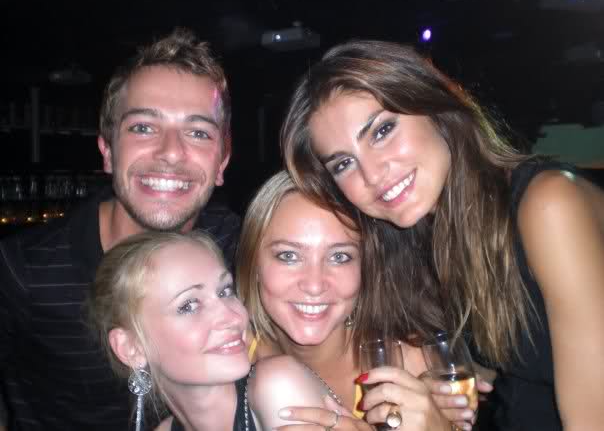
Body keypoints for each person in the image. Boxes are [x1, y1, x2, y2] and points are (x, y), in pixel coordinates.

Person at [280, 40, 604, 430]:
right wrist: (465, 380)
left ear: (435, 107)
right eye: (344, 163)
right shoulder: (433, 242)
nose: (372, 175)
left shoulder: (549, 204)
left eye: (382, 131)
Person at [0, 28, 240, 430]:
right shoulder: (23, 269)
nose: (171, 152)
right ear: (108, 151)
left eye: (198, 132)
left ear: (222, 162)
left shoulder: (239, 245)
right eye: (143, 127)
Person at [237, 171, 476, 431]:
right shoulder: (229, 356)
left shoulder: (413, 366)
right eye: (288, 256)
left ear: (365, 268)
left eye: (339, 257)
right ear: (253, 264)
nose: (315, 285)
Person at [89, 230, 331, 431]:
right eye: (189, 305)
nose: (233, 317)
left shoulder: (278, 387)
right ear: (132, 348)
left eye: (225, 291)